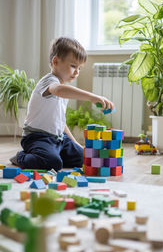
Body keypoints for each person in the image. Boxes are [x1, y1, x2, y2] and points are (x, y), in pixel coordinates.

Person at [10, 37, 114, 171]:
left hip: (58, 138)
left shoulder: (63, 89)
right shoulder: (49, 81)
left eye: (80, 68)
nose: (77, 72)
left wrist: (76, 144)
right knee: (53, 163)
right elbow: (58, 90)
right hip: (37, 137)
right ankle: (21, 157)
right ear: (56, 61)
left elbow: (61, 122)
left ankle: (51, 154)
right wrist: (91, 97)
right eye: (73, 66)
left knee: (83, 157)